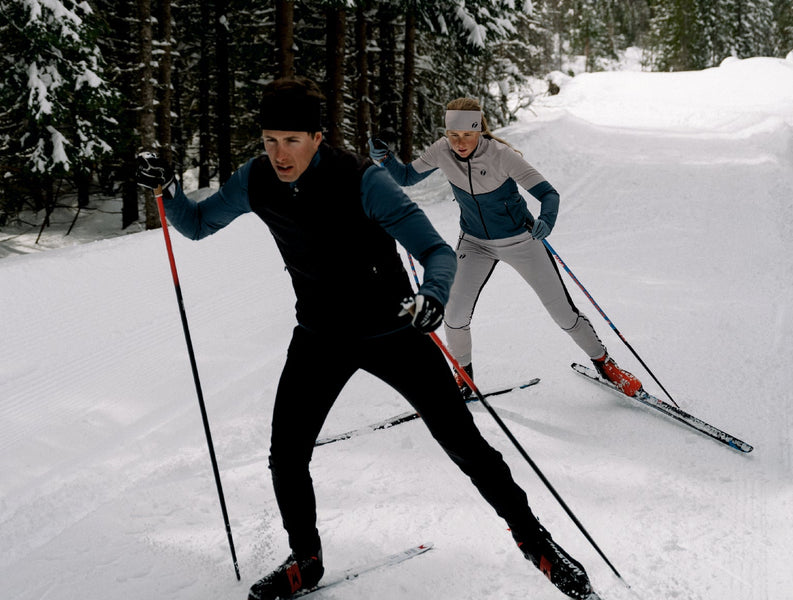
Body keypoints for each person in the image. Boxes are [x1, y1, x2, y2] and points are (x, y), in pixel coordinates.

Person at [137, 77, 596, 600]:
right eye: (269, 140)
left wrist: (434, 297)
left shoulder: (363, 180)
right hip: (319, 335)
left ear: (318, 136)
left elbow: (437, 253)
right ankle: (305, 560)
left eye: (291, 140)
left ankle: (535, 542)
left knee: (463, 441)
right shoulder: (255, 179)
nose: (278, 153)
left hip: (393, 330)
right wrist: (166, 190)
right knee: (286, 453)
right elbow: (196, 225)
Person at [369, 98, 642, 399]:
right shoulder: (441, 150)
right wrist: (385, 159)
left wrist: (547, 220)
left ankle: (605, 363)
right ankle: (462, 378)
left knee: (563, 314)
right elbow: (406, 177)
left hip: (521, 242)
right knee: (455, 315)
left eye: (467, 135)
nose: (460, 143)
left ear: (479, 131)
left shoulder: (500, 155)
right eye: (453, 135)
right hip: (474, 243)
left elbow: (548, 193)